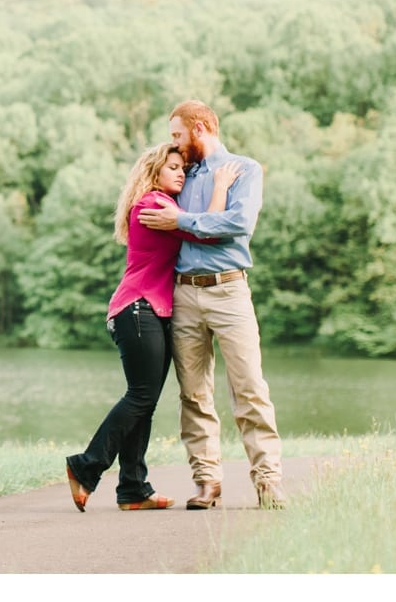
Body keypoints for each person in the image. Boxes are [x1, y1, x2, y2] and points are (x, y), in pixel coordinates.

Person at [65, 142, 239, 512]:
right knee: (141, 396)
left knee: (143, 401)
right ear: (153, 172)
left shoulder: (163, 204)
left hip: (153, 312)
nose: (181, 173)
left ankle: (132, 488)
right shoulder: (153, 204)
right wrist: (221, 187)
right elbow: (204, 231)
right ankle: (86, 465)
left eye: (183, 168)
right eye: (173, 167)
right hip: (138, 308)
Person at [137, 99, 286, 510]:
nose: (175, 143)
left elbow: (238, 224)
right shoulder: (178, 174)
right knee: (194, 394)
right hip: (183, 292)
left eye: (178, 134)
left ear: (199, 127)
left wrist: (182, 221)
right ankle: (207, 482)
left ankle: (268, 482)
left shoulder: (245, 169)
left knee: (250, 388)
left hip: (229, 291)